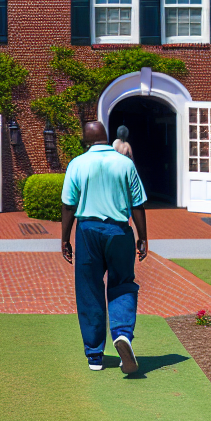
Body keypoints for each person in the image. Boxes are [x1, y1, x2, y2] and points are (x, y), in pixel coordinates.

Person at [60, 120, 148, 374]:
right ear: (106, 137)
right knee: (122, 284)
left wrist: (65, 238)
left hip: (88, 231)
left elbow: (69, 205)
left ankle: (95, 355)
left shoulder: (77, 164)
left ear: (85, 141)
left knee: (89, 289)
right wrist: (142, 236)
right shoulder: (125, 163)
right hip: (119, 231)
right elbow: (137, 204)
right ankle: (122, 335)